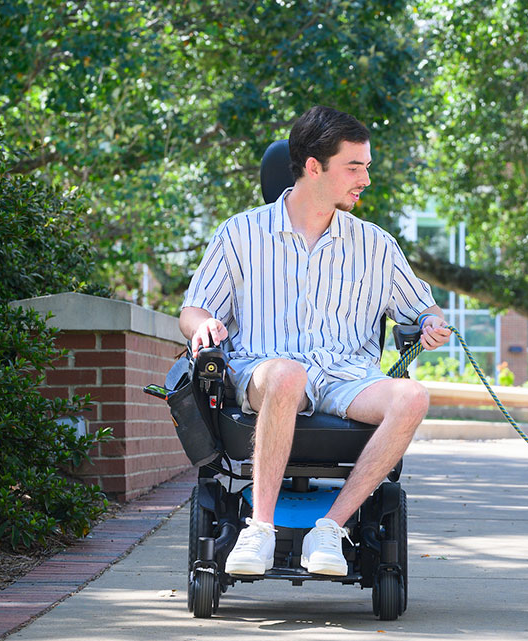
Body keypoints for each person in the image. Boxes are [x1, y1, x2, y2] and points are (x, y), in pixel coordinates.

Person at [178, 105, 452, 576]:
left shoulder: (376, 245)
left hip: (346, 376)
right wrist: (201, 324)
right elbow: (194, 309)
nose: (364, 179)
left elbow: (423, 307)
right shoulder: (241, 234)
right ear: (313, 167)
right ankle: (259, 530)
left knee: (412, 396)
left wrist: (430, 322)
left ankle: (329, 528)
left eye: (366, 166)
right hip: (267, 371)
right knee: (287, 374)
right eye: (354, 167)